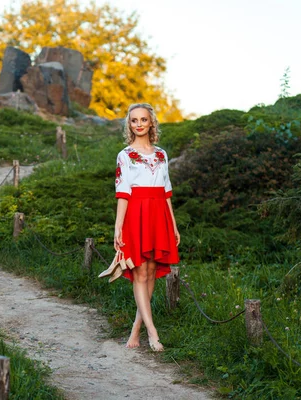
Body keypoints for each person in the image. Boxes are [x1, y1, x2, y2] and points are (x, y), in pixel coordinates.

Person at [113, 103, 180, 351]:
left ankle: (137, 327)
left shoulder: (161, 154)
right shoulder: (125, 155)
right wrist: (118, 227)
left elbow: (167, 192)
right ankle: (152, 332)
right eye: (134, 121)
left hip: (159, 213)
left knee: (152, 273)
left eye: (143, 120)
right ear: (129, 125)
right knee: (139, 273)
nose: (139, 124)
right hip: (136, 213)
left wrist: (173, 225)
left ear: (151, 122)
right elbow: (123, 192)